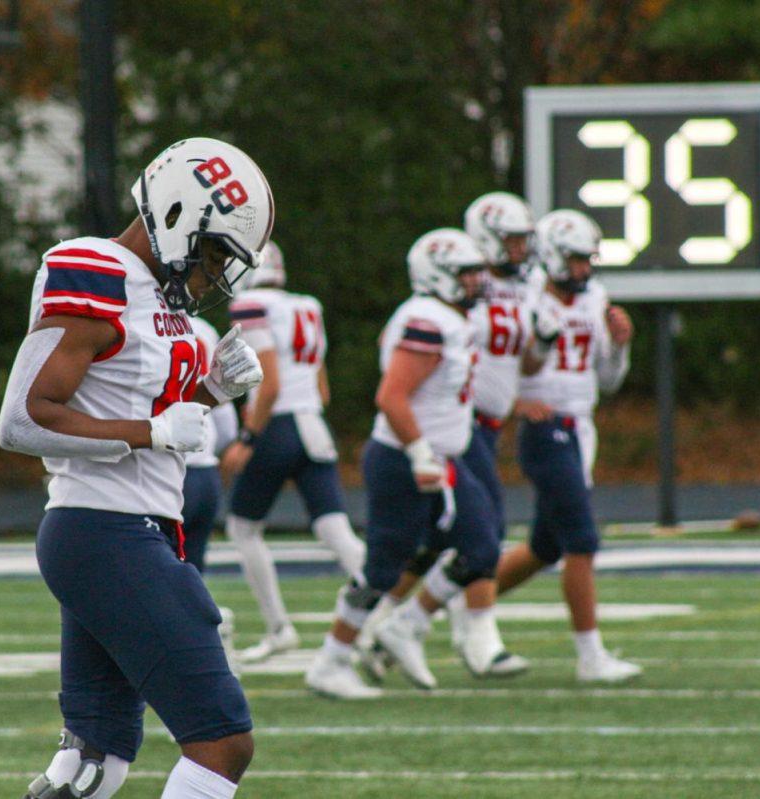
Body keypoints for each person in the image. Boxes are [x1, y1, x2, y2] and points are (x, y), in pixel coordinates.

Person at [0, 137, 272, 799]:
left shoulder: (158, 293)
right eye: (212, 255)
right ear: (179, 214)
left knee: (94, 764)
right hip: (103, 529)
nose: (210, 276)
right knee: (222, 740)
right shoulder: (95, 267)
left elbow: (134, 405)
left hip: (128, 528)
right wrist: (151, 428)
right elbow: (23, 419)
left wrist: (207, 392)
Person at [307, 229, 522, 699]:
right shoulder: (427, 318)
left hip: (441, 456)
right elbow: (391, 396)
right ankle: (331, 661)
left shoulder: (440, 315)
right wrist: (421, 452)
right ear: (437, 276)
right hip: (406, 458)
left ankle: (406, 625)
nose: (475, 283)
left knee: (482, 546)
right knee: (384, 566)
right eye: (465, 274)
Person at [494, 208, 641, 683]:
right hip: (545, 427)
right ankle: (590, 657)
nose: (585, 269)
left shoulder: (595, 297)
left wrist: (619, 346)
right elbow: (490, 359)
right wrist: (515, 401)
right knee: (582, 537)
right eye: (577, 260)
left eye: (588, 260)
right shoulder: (524, 295)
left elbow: (608, 380)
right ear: (555, 257)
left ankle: (455, 606)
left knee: (546, 545)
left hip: (580, 426)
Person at [219, 241, 366, 663]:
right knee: (335, 530)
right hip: (313, 423)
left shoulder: (250, 303)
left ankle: (279, 627)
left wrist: (248, 437)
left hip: (277, 425)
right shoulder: (307, 305)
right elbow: (322, 387)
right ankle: (378, 617)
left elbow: (270, 381)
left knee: (244, 530)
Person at [182, 315, 240, 574]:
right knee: (192, 575)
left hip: (169, 472)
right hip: (205, 473)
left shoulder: (140, 321)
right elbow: (224, 416)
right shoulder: (204, 328)